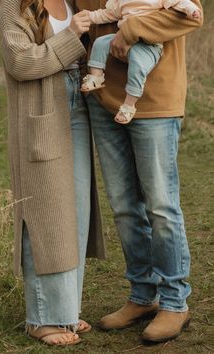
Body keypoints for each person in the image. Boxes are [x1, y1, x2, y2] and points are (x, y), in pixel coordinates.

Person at [76, 0, 203, 343]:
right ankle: (143, 295)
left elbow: (191, 16)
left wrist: (132, 30)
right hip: (103, 99)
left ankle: (175, 302)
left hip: (154, 98)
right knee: (123, 205)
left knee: (160, 206)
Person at [0, 0, 105, 346]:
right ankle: (42, 318)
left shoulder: (70, 1)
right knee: (46, 214)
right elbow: (20, 61)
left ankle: (64, 311)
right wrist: (70, 35)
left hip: (77, 108)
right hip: (42, 113)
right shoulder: (14, 5)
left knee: (75, 212)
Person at [81, 0, 201, 124]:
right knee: (100, 43)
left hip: (149, 45)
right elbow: (108, 14)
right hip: (104, 97)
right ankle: (96, 77)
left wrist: (192, 10)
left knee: (137, 67)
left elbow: (181, 3)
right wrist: (89, 16)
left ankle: (129, 105)